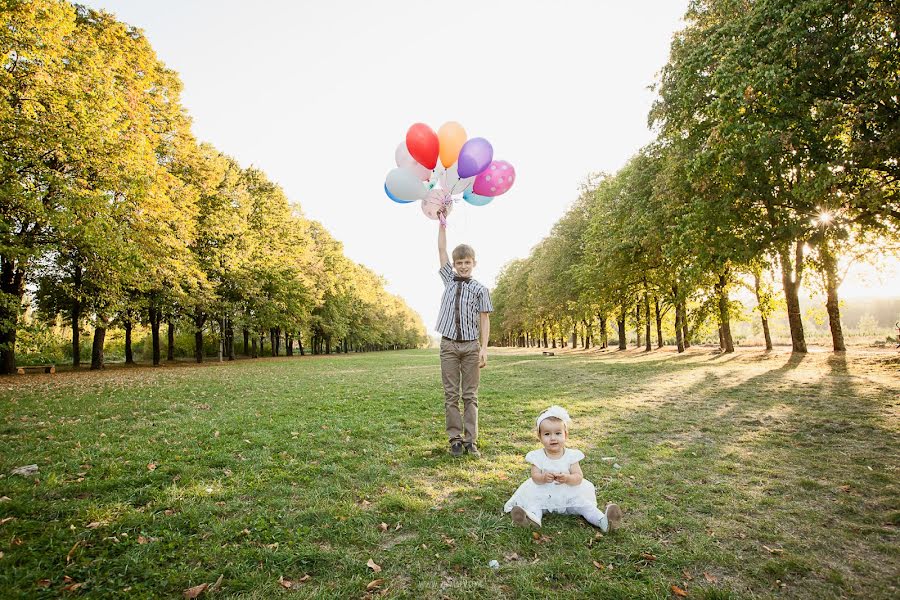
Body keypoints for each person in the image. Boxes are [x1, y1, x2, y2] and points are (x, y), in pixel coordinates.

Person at [504, 405, 623, 532]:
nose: (553, 438)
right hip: (544, 494)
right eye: (547, 434)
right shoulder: (537, 456)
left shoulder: (571, 456)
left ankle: (603, 521)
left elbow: (578, 477)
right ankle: (532, 520)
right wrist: (543, 477)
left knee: (585, 506)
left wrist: (567, 478)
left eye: (558, 433)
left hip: (569, 495)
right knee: (535, 505)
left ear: (566, 435)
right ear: (540, 437)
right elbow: (535, 477)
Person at [436, 219, 493, 457]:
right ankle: (455, 440)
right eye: (459, 262)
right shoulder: (449, 279)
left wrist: (484, 348)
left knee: (470, 395)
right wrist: (442, 224)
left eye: (466, 262)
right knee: (451, 395)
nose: (462, 266)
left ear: (474, 263)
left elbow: (484, 319)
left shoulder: (481, 289)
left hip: (471, 347)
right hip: (448, 345)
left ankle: (471, 441)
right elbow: (441, 250)